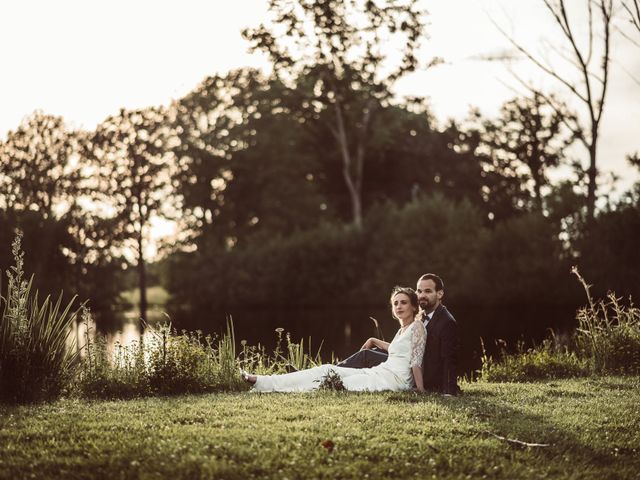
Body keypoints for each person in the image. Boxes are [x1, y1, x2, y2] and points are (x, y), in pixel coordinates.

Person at [241, 287, 427, 392]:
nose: (399, 306)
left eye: (403, 302)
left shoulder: (417, 327)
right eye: (395, 303)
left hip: (393, 380)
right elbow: (397, 350)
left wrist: (420, 389)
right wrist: (375, 340)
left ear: (413, 306)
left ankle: (267, 385)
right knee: (327, 369)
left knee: (334, 384)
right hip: (379, 372)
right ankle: (262, 381)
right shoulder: (403, 329)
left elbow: (416, 360)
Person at [338, 273, 460, 395]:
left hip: (418, 373)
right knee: (371, 352)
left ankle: (336, 373)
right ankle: (337, 371)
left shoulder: (446, 322)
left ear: (440, 294)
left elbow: (449, 360)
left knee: (366, 355)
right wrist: (374, 340)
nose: (422, 295)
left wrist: (449, 391)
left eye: (427, 291)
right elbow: (405, 345)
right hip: (405, 364)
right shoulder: (422, 315)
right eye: (419, 291)